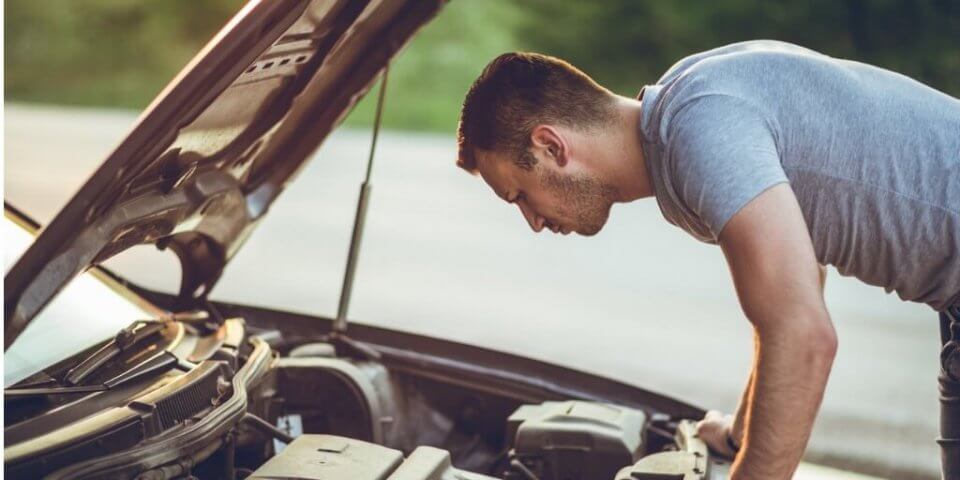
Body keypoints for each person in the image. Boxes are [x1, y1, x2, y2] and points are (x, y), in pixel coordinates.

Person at [454, 40, 959, 479]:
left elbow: (803, 334)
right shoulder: (685, 107)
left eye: (519, 196)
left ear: (550, 145)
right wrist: (744, 432)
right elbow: (792, 278)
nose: (534, 223)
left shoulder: (699, 129)